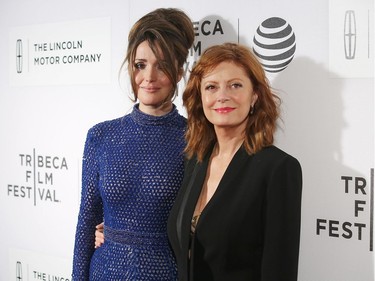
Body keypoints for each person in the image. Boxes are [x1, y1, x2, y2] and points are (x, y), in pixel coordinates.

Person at [72, 8, 194, 280]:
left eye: (162, 65)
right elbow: (86, 221)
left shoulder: (193, 137)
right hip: (103, 272)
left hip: (166, 273)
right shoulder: (101, 136)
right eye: (140, 65)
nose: (148, 77)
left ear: (178, 72)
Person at [167, 43, 303, 281]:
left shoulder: (278, 169)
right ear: (200, 97)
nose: (222, 96)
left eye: (235, 85)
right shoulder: (195, 160)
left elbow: (280, 271)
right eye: (211, 87)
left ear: (255, 96)